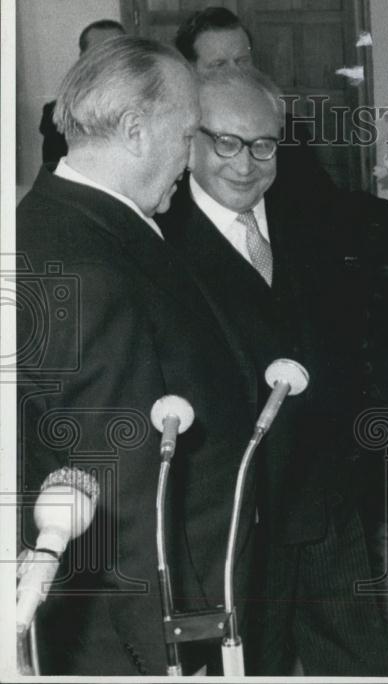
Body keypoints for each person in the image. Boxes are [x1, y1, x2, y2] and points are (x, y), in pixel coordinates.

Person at [17, 35, 259, 675]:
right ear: (134, 130)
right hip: (144, 630)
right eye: (186, 136)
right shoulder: (86, 263)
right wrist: (171, 654)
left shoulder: (68, 218)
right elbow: (122, 485)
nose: (192, 157)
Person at [157, 68, 388, 676]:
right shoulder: (158, 238)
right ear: (188, 141)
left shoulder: (304, 212)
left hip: (323, 497)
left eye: (263, 144)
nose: (245, 163)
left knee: (359, 661)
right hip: (237, 522)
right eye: (225, 142)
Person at [39, 19, 126, 168]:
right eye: (99, 52)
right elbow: (58, 173)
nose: (109, 58)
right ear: (83, 58)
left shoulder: (152, 102)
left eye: (116, 50)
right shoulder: (58, 113)